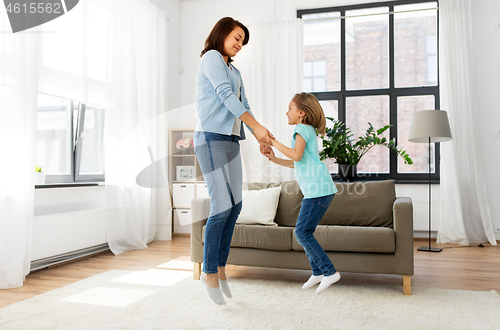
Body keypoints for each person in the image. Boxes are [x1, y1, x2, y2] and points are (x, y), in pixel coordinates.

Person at [194, 17, 273, 305]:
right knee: (221, 206)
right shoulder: (211, 58)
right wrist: (258, 128)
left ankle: (222, 267)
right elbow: (225, 96)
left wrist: (260, 135)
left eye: (242, 41)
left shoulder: (234, 69)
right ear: (222, 33)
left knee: (235, 204)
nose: (240, 44)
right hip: (210, 139)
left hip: (230, 141)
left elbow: (245, 105)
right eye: (237, 37)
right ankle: (209, 271)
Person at [262, 92, 340, 295]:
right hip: (321, 189)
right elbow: (298, 161)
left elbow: (295, 155)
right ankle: (317, 272)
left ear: (302, 113)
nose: (286, 112)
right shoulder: (308, 130)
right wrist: (275, 158)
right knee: (305, 232)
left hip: (317, 191)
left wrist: (273, 142)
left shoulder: (300, 129)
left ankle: (329, 271)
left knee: (301, 232)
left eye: (290, 108)